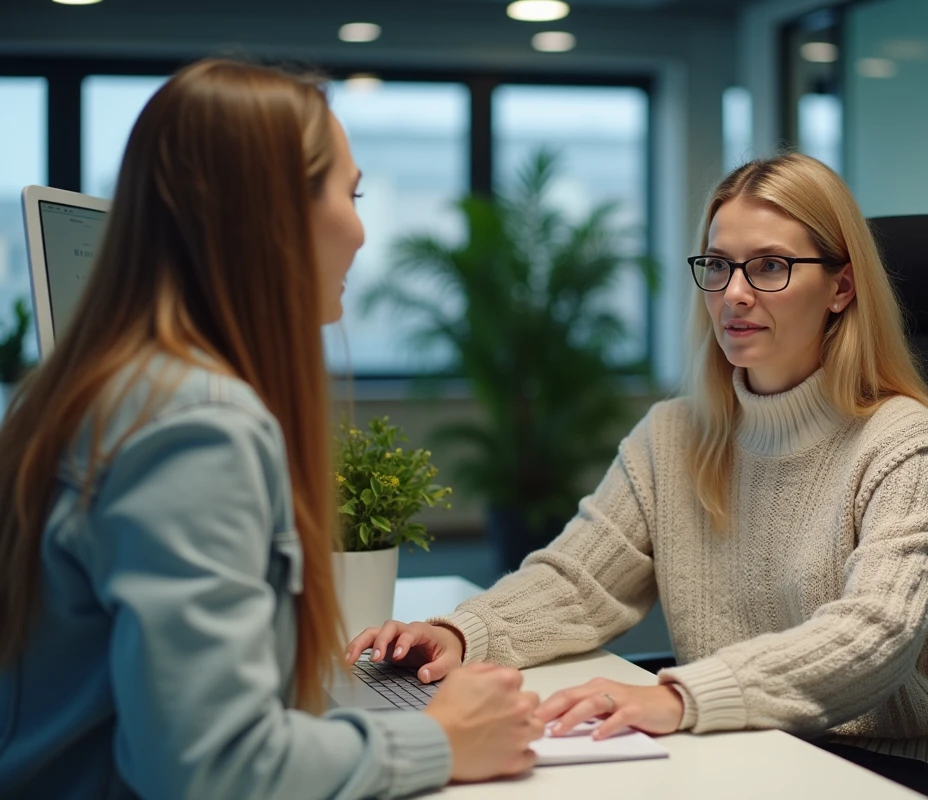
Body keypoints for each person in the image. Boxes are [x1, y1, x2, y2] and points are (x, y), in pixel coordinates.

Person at [349, 153, 928, 800]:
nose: (734, 293)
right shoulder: (675, 433)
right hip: (734, 742)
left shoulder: (900, 438)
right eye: (718, 266)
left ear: (841, 287)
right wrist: (463, 632)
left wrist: (680, 694)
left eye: (770, 266)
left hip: (888, 762)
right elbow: (577, 582)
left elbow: (874, 635)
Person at [0, 59, 542, 800]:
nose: (358, 230)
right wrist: (439, 740)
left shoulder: (91, 392)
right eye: (349, 195)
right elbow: (210, 768)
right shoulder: (195, 425)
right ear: (273, 214)